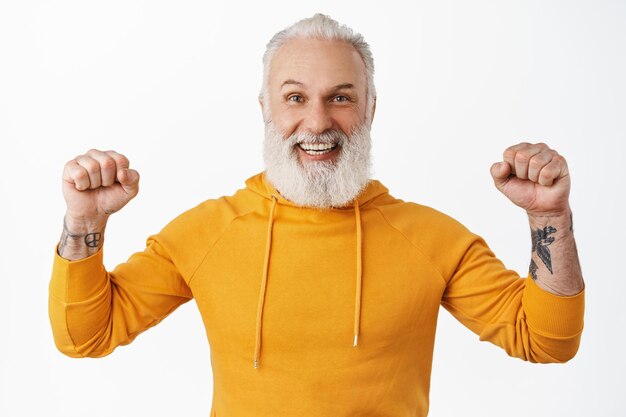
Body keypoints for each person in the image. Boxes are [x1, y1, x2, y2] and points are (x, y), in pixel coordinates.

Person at [49, 13, 585, 416]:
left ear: (371, 106)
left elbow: (546, 340)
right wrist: (85, 225)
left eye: (341, 98)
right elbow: (85, 336)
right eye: (295, 97)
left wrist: (549, 218)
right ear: (265, 107)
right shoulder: (207, 233)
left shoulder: (433, 238)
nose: (317, 121)